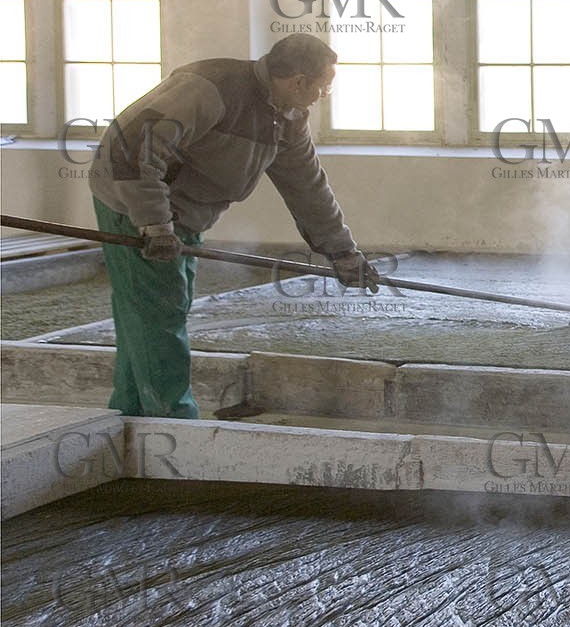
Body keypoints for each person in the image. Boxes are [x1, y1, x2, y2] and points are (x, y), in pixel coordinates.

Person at [87, 33, 379, 419]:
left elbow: (307, 188)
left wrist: (343, 253)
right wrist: (154, 224)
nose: (324, 95)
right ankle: (174, 423)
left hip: (184, 212)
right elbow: (132, 149)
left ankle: (131, 410)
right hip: (133, 202)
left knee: (152, 309)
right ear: (298, 82)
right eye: (324, 86)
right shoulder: (209, 89)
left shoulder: (286, 115)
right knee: (159, 310)